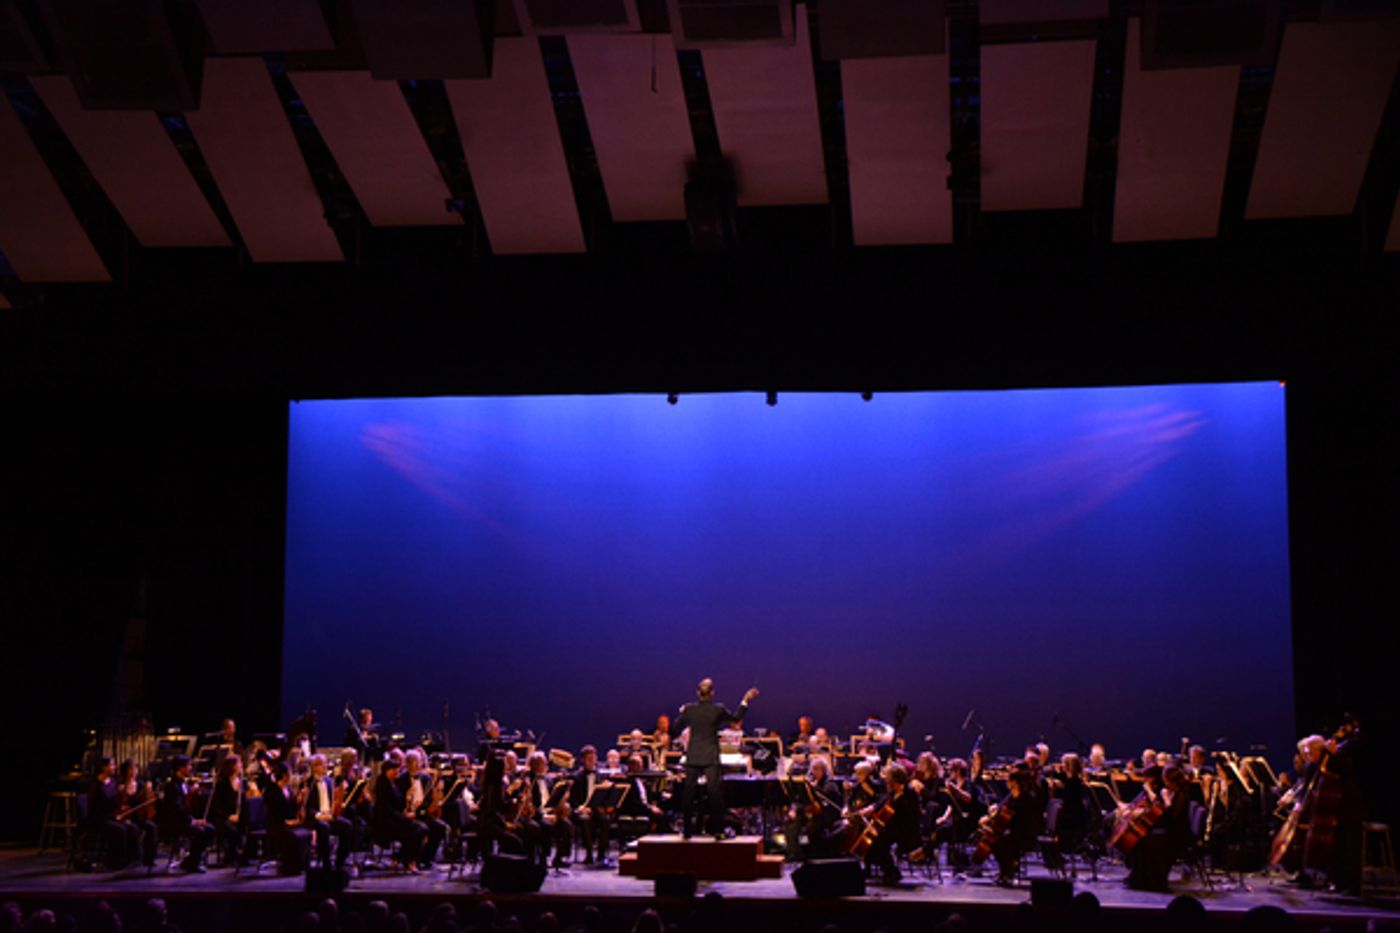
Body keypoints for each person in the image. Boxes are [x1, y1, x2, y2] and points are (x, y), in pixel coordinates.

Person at [674, 678, 759, 840]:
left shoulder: (689, 710)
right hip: (710, 757)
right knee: (715, 795)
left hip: (693, 756)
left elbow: (675, 729)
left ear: (698, 693)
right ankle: (718, 831)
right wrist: (746, 699)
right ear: (712, 693)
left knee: (688, 794)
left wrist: (682, 713)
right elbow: (735, 718)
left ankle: (686, 831)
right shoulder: (718, 710)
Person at [863, 762, 922, 884]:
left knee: (878, 840)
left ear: (895, 779)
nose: (885, 781)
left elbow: (905, 818)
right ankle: (875, 869)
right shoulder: (893, 792)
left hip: (906, 831)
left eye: (888, 778)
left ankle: (891, 871)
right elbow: (881, 803)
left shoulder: (909, 794)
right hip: (893, 828)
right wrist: (870, 809)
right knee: (872, 837)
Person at [157, 756, 214, 872]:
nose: (191, 768)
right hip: (174, 823)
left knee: (210, 828)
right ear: (180, 768)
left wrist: (196, 795)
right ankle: (192, 863)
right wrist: (192, 821)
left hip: (185, 819)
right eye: (188, 765)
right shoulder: (172, 785)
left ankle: (191, 860)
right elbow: (176, 809)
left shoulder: (184, 783)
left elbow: (188, 806)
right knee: (199, 831)